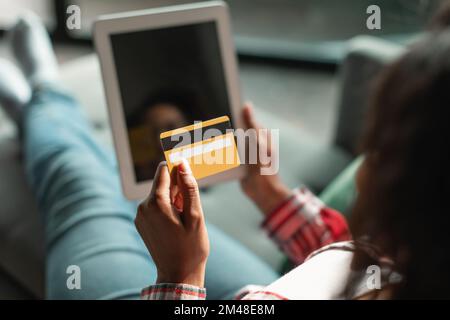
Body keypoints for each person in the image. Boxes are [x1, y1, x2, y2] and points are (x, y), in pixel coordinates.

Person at [0, 12, 449, 300]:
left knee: (80, 188)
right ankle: (45, 113)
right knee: (112, 182)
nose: (365, 165)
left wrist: (181, 274)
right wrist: (269, 194)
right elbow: (354, 267)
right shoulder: (412, 263)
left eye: (380, 149)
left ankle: (43, 100)